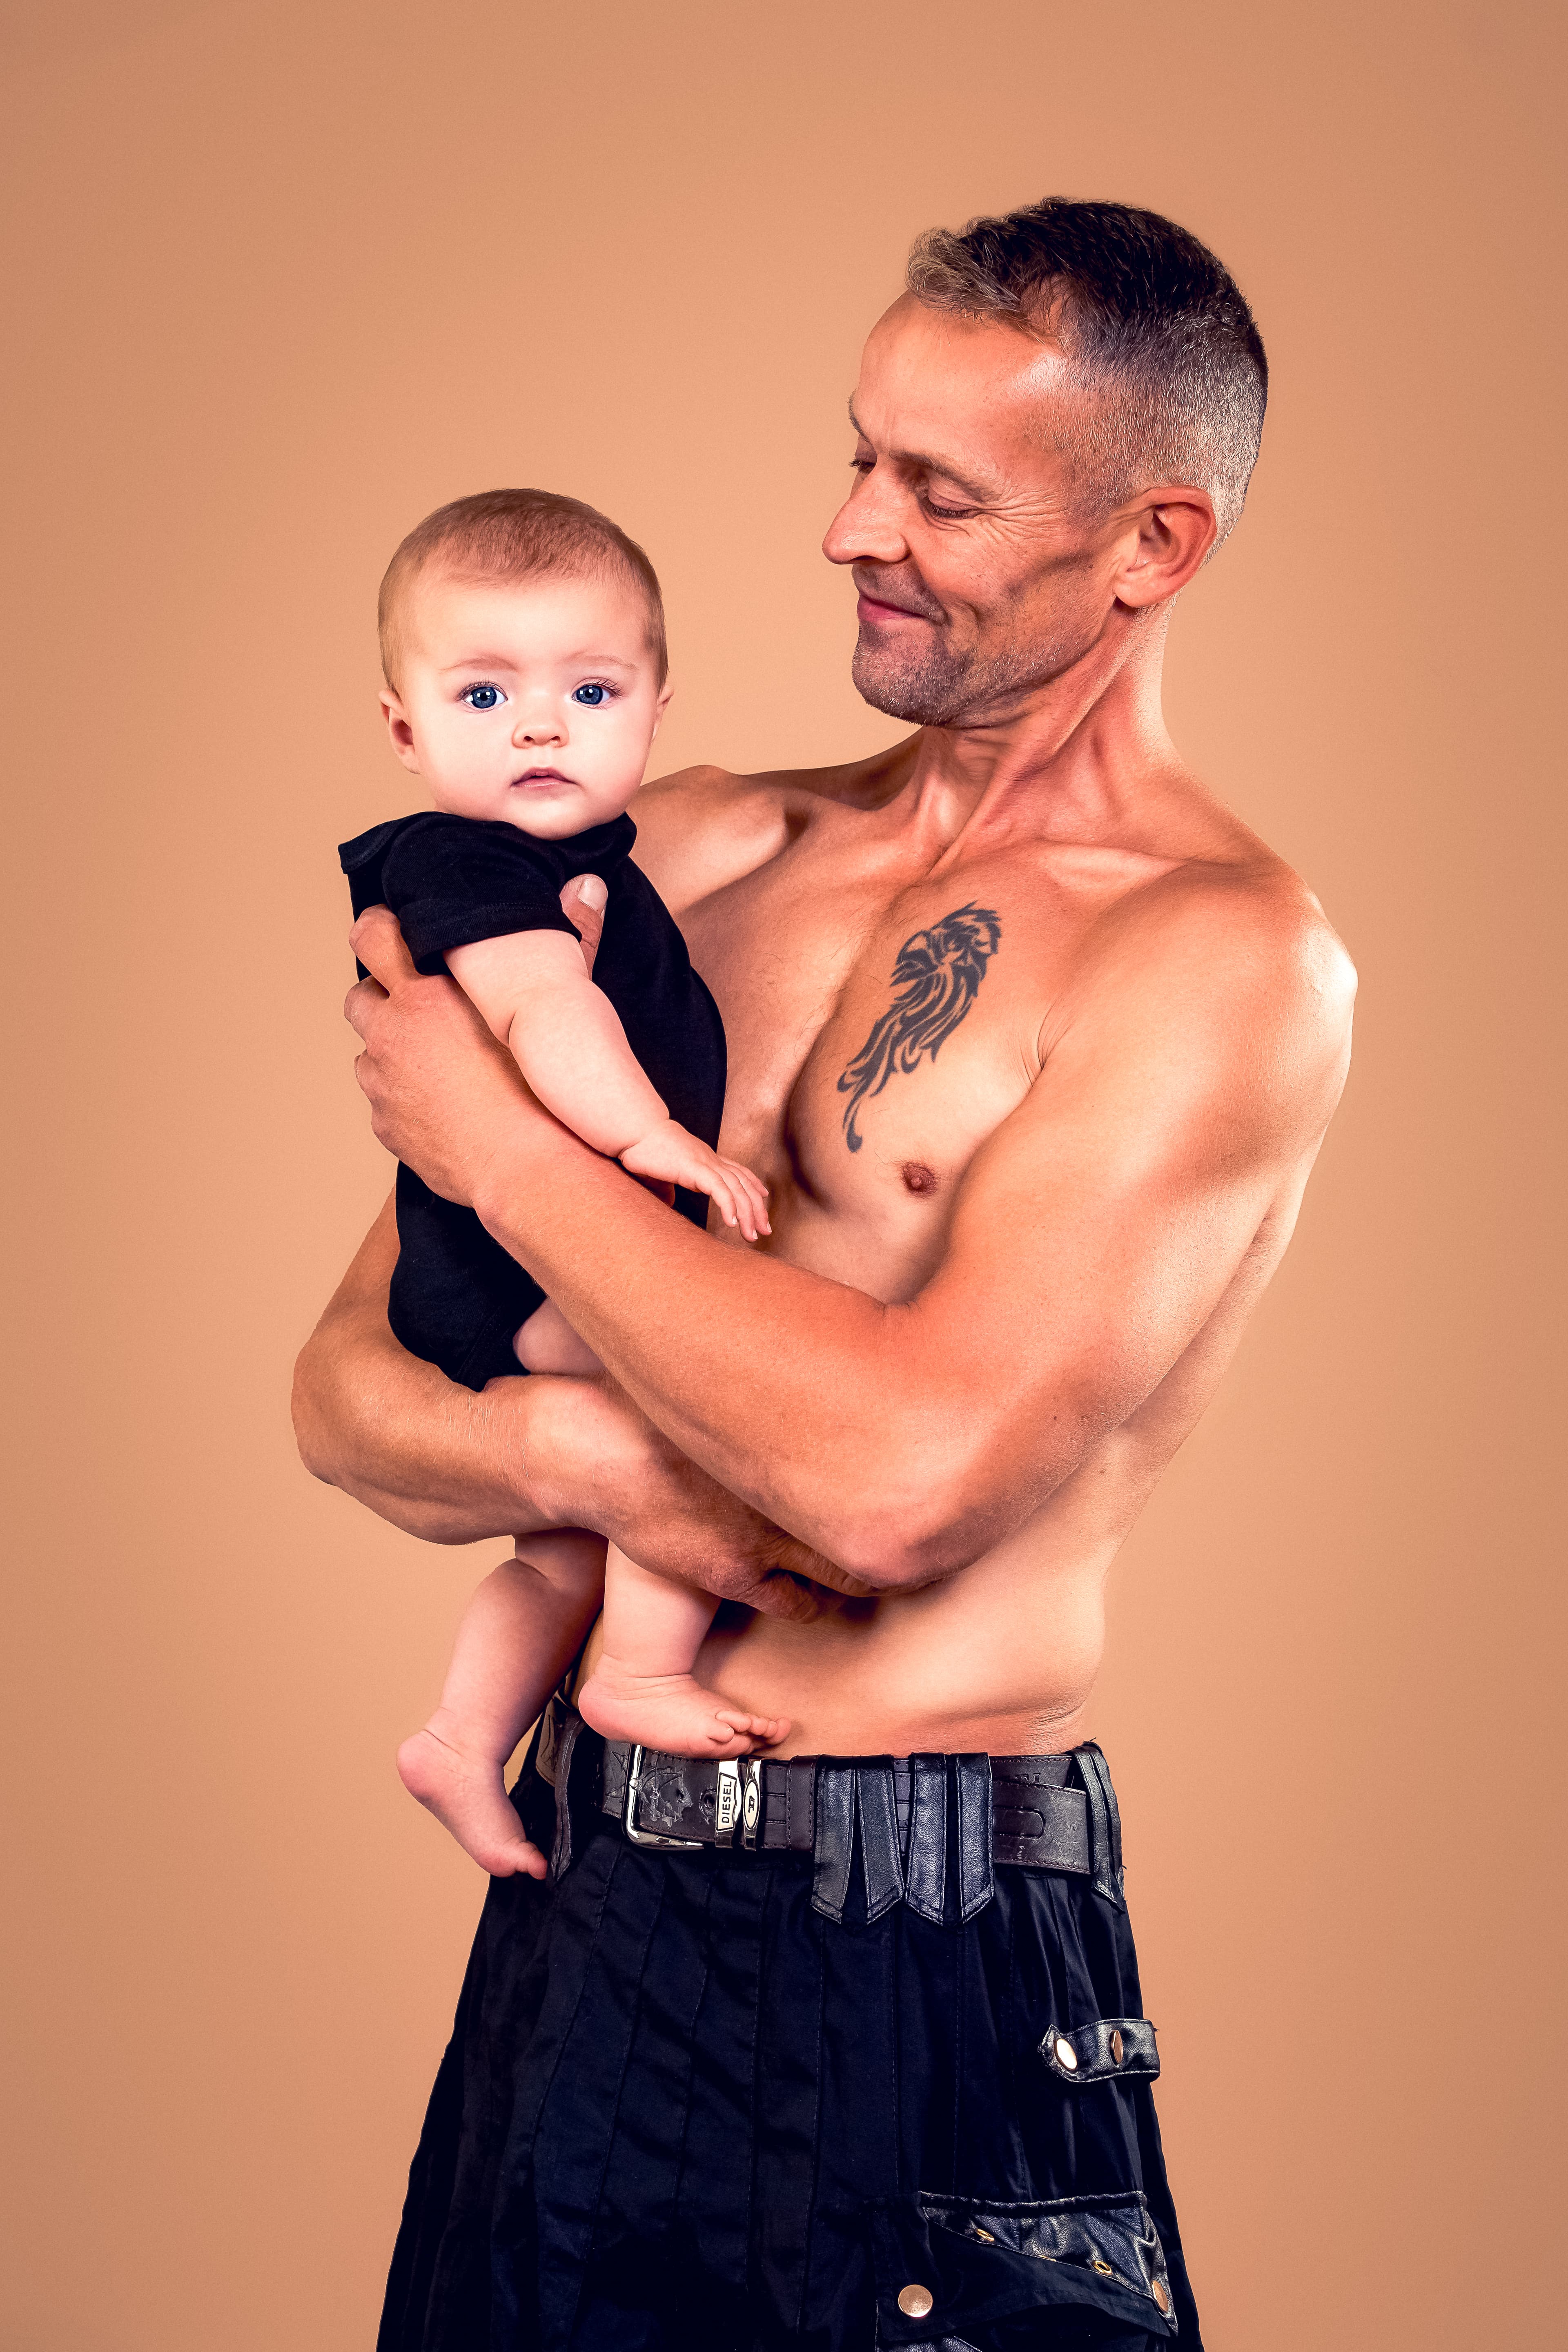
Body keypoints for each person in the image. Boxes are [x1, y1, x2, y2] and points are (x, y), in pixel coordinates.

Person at [295, 198, 1356, 2352]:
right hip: (595, 1913)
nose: (847, 526)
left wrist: (498, 1144)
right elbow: (348, 1390)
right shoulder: (677, 844)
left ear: (1151, 546)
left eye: (937, 493)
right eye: (862, 453)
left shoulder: (1219, 961)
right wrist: (604, 1454)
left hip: (921, 1943)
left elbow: (897, 1492)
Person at [341, 488, 787, 1883]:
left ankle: (462, 1736)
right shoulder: (463, 862)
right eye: (483, 694)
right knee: (700, 1392)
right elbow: (544, 1016)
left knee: (562, 1558)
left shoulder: (590, 859)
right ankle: (639, 1676)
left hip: (513, 1256)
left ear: (655, 707)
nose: (540, 727)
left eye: (589, 689)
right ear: (406, 729)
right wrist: (655, 1139)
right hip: (513, 1267)